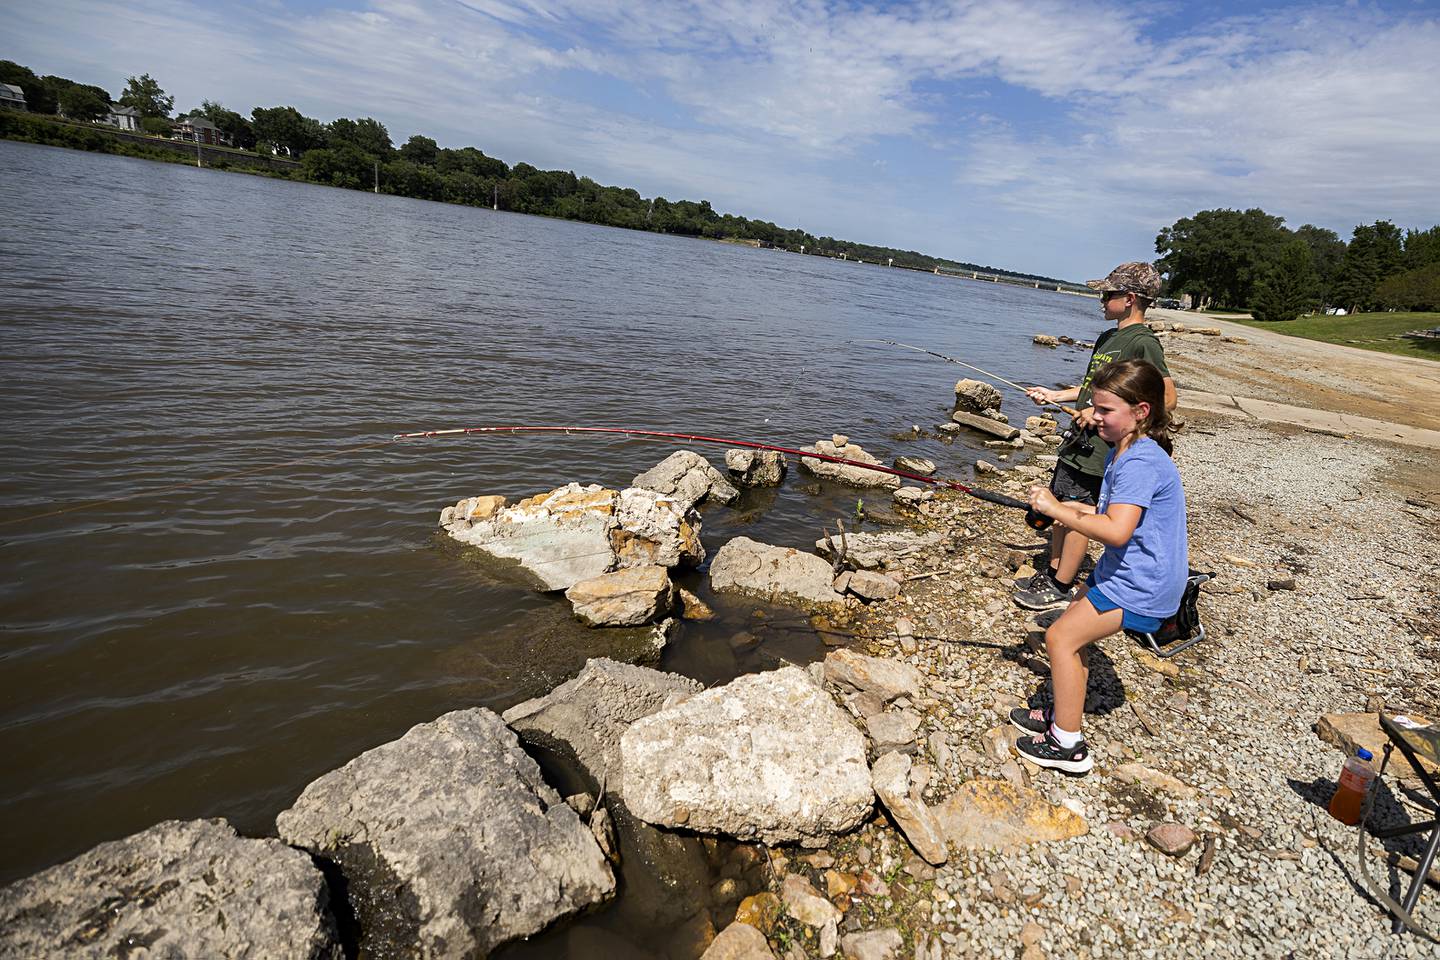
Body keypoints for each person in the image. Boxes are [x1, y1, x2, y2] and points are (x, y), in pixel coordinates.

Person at [1008, 359, 1188, 773]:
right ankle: (1060, 713)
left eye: (1106, 410)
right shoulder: (1127, 449)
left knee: (1060, 639)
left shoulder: (1140, 462)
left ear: (1140, 412)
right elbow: (1114, 513)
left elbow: (1117, 531)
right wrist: (1073, 508)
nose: (1095, 416)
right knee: (1072, 627)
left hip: (1142, 583)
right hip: (1125, 571)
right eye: (1096, 406)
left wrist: (1057, 508)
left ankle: (1068, 745)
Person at [1013, 261, 1177, 611]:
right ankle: (1053, 570)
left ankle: (1060, 584)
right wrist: (1056, 396)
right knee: (1060, 505)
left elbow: (1167, 397)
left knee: (1080, 512)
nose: (1101, 300)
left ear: (1130, 298)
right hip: (1078, 441)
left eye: (1108, 294)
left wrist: (1103, 415)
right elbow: (1093, 389)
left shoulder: (1143, 343)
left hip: (1100, 446)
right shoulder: (1108, 337)